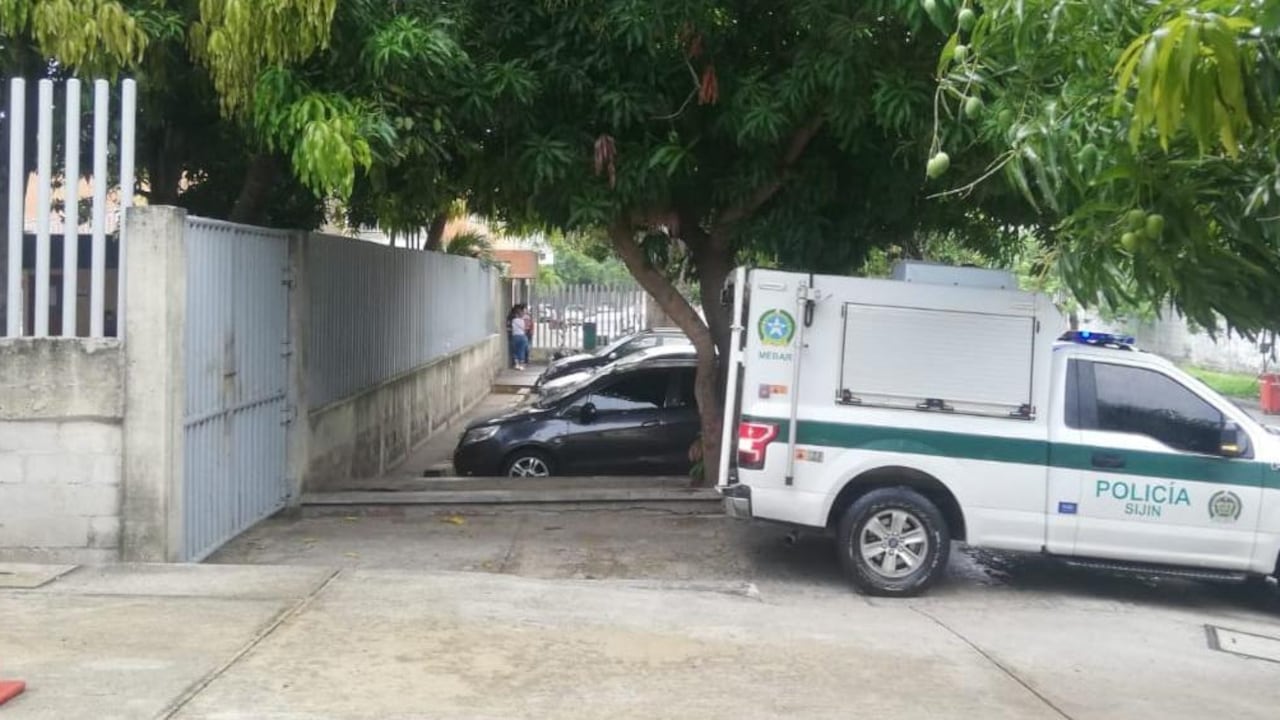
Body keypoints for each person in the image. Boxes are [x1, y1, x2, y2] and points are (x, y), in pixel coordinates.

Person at [509, 303, 529, 370]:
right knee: (521, 350)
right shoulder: (522, 321)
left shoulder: (513, 320)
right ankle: (521, 365)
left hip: (515, 336)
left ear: (515, 314)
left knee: (515, 351)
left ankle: (516, 364)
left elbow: (510, 328)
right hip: (522, 336)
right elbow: (525, 328)